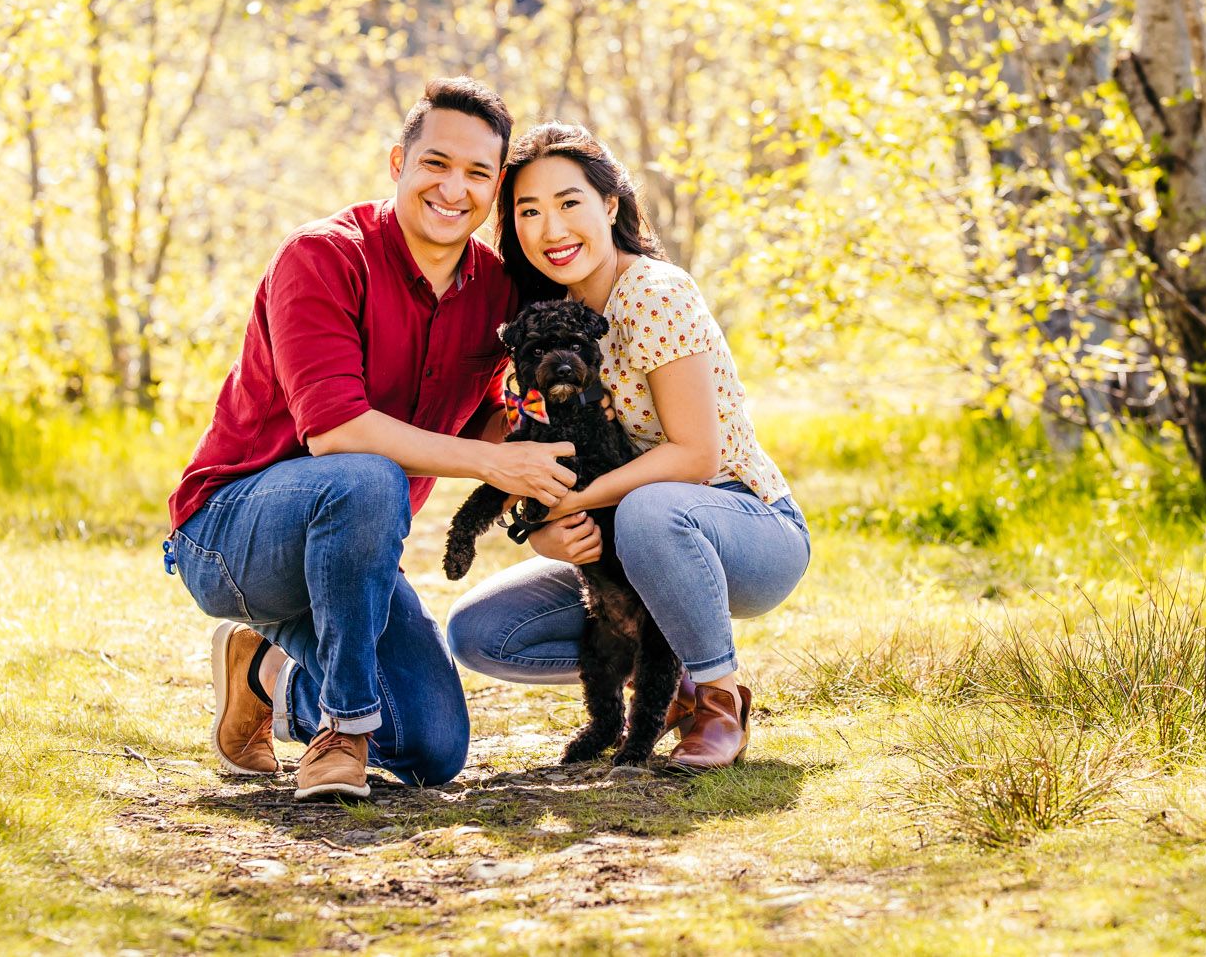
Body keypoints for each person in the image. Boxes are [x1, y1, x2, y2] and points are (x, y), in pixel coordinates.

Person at [165, 78, 577, 800]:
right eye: (436, 164)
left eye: (479, 173)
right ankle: (342, 731)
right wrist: (494, 460)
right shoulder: (323, 256)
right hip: (231, 534)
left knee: (432, 746)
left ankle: (265, 672)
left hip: (356, 555)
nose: (454, 188)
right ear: (398, 163)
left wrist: (536, 435)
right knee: (367, 473)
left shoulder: (498, 290)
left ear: (495, 192)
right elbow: (337, 432)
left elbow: (488, 415)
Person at [445, 123, 810, 769]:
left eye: (569, 202)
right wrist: (544, 530)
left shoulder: (655, 294)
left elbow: (694, 455)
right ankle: (670, 685)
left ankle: (719, 701)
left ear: (609, 206)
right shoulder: (549, 320)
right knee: (480, 633)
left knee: (649, 508)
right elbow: (515, 444)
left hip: (741, 525)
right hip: (626, 540)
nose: (551, 227)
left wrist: (575, 499)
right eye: (528, 211)